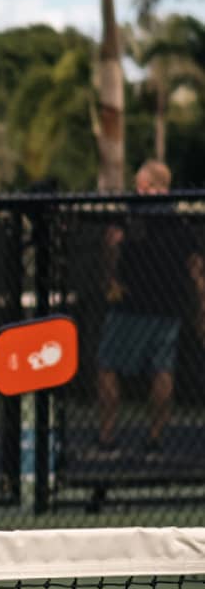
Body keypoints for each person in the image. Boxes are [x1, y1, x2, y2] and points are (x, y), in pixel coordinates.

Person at [94, 160, 205, 457]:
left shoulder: (132, 217)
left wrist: (110, 279)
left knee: (108, 365)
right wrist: (198, 310)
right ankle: (154, 439)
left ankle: (107, 438)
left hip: (131, 305)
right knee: (162, 369)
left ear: (147, 186)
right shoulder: (181, 224)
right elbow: (197, 272)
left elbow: (111, 244)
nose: (136, 189)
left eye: (139, 184)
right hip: (168, 307)